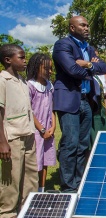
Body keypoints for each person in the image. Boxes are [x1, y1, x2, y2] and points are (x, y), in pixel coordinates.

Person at [52, 16, 106, 192]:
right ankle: (68, 187)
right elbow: (72, 70)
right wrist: (91, 67)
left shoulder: (89, 48)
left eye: (87, 24)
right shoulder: (63, 45)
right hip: (69, 100)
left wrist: (88, 63)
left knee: (83, 145)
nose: (87, 28)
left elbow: (103, 68)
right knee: (70, 143)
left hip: (86, 101)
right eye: (82, 25)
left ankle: (78, 182)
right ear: (72, 28)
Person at [0, 44, 38, 218]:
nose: (25, 61)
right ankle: (7, 213)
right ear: (8, 60)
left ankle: (28, 208)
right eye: (21, 58)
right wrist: (2, 142)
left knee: (30, 176)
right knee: (12, 178)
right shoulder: (2, 80)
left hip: (28, 134)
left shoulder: (22, 80)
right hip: (13, 137)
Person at [26, 53, 56, 193]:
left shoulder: (50, 86)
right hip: (36, 130)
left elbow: (51, 108)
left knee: (45, 160)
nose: (50, 71)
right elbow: (30, 111)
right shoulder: (30, 86)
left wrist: (53, 127)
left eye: (51, 68)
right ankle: (31, 191)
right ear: (37, 68)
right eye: (46, 69)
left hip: (48, 130)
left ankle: (41, 189)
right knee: (36, 160)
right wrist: (42, 130)